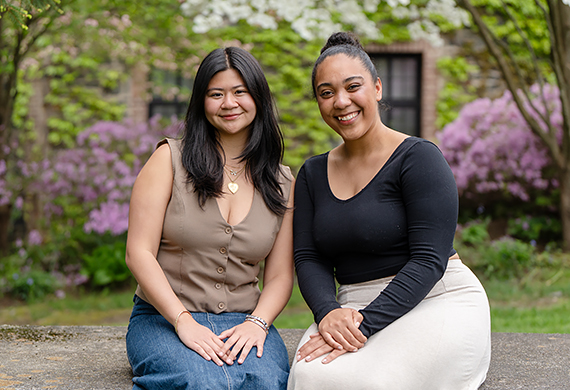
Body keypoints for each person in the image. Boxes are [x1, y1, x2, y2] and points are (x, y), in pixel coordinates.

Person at [288, 32, 491, 390]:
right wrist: (328, 312)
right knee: (309, 375)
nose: (341, 101)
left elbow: (430, 259)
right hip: (352, 306)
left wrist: (365, 324)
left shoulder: (419, 158)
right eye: (326, 92)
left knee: (375, 382)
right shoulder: (312, 173)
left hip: (436, 300)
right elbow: (308, 256)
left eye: (353, 86)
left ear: (378, 88)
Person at [125, 46, 294, 390]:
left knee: (265, 383)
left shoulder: (283, 182)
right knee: (201, 382)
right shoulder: (168, 160)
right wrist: (183, 321)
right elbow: (138, 253)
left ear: (258, 98)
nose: (228, 103)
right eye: (216, 94)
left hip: (245, 322)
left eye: (240, 92)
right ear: (202, 102)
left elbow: (279, 277)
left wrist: (258, 324)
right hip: (163, 318)